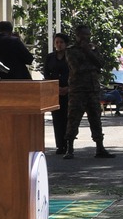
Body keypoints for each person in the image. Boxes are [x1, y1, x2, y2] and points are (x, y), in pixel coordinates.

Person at [65, 24, 114, 159]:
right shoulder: (71, 50)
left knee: (96, 119)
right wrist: (92, 65)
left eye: (88, 35)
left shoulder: (93, 49)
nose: (86, 38)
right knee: (74, 119)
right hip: (78, 90)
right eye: (83, 35)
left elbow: (101, 63)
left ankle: (100, 148)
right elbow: (76, 68)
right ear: (77, 36)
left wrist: (89, 53)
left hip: (92, 90)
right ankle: (69, 149)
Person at [43, 33, 73, 156]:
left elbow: (75, 73)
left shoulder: (71, 56)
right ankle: (60, 145)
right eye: (57, 42)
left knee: (68, 118)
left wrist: (68, 87)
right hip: (54, 91)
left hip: (69, 91)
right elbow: (46, 73)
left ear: (66, 44)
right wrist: (55, 87)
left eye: (61, 42)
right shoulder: (50, 57)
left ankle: (68, 145)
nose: (59, 45)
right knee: (57, 119)